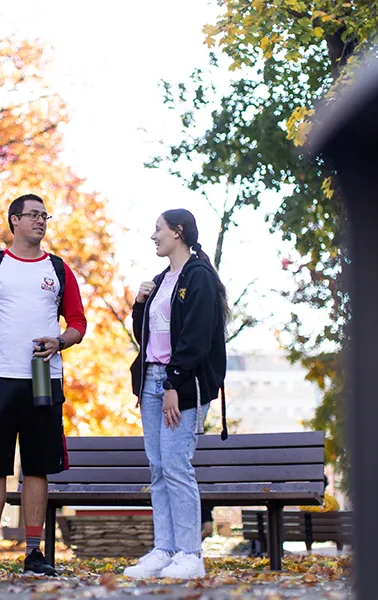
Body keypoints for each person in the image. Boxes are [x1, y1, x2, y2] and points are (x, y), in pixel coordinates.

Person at [0, 193, 87, 577]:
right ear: (14, 220)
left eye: (44, 216)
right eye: (32, 215)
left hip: (42, 379)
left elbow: (78, 323)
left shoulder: (60, 270)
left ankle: (34, 554)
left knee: (37, 467)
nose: (40, 221)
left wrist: (60, 341)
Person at [123, 209, 227, 580]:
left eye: (158, 229)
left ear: (178, 233)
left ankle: (190, 553)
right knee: (158, 468)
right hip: (151, 381)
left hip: (181, 384)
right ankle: (164, 550)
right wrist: (139, 304)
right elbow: (147, 337)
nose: (153, 236)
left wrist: (173, 384)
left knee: (177, 466)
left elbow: (196, 339)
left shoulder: (197, 277)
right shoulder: (160, 280)